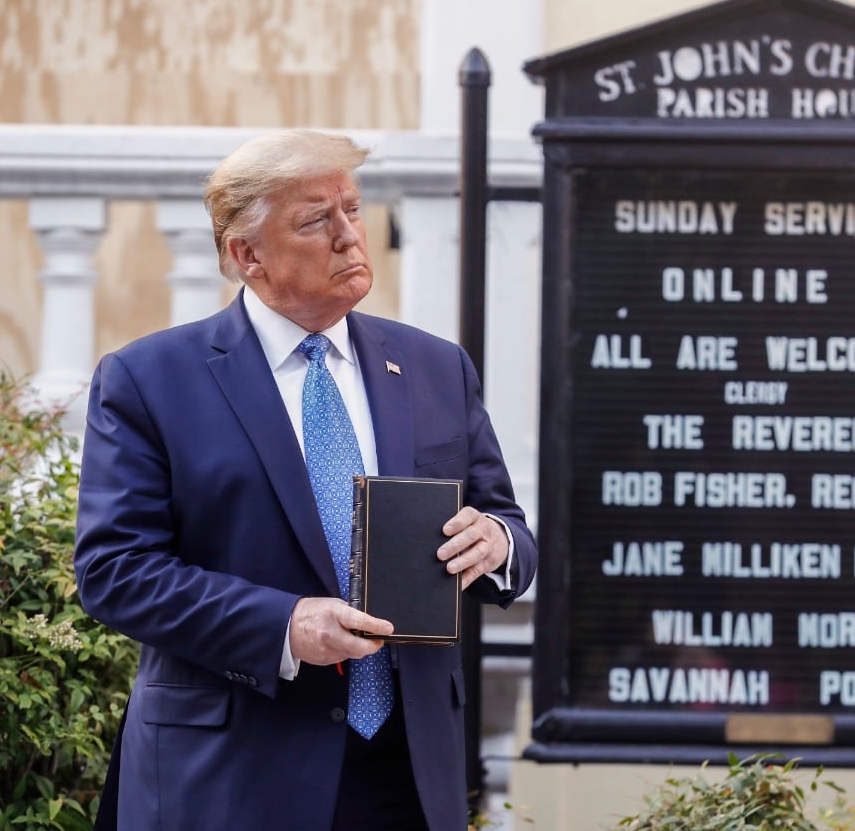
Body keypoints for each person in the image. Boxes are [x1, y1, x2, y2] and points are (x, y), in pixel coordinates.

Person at [74, 129, 537, 830]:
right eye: (318, 220)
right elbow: (114, 571)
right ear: (246, 255)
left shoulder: (437, 368)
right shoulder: (148, 380)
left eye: (353, 210)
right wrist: (283, 624)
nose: (352, 237)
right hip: (231, 775)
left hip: (408, 773)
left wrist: (497, 543)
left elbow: (512, 526)